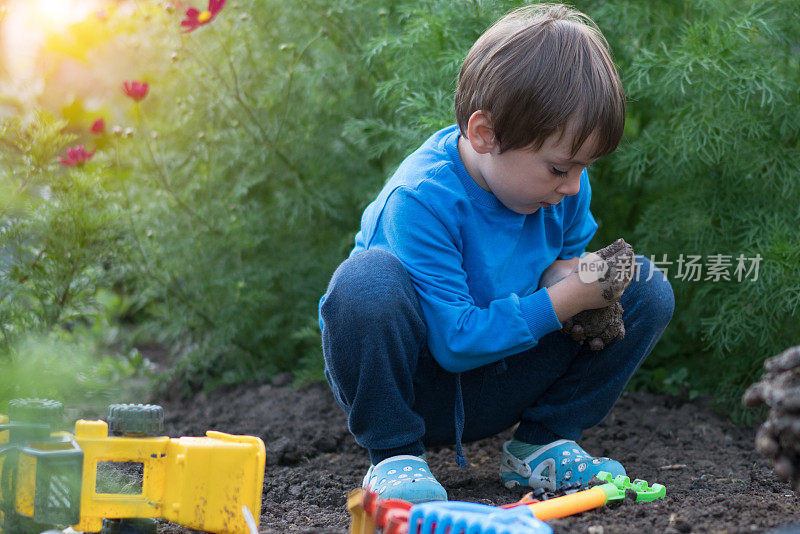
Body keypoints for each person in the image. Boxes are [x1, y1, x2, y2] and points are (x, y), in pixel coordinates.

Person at [319, 4, 674, 504]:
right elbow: (454, 343)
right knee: (366, 281)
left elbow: (557, 267)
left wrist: (583, 278)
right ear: (484, 134)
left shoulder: (563, 187)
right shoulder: (422, 199)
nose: (573, 186)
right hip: (420, 386)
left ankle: (542, 445)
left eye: (583, 168)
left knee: (644, 284)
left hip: (505, 376)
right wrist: (571, 297)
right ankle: (395, 457)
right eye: (558, 169)